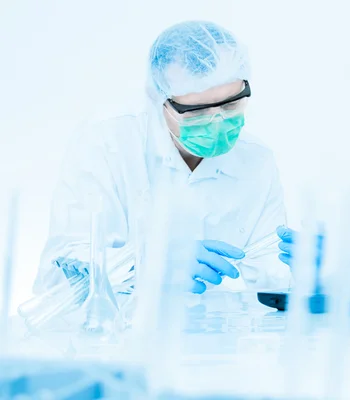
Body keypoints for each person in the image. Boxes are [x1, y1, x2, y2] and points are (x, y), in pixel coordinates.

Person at [33, 20, 292, 295]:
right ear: (159, 100)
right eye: (197, 111)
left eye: (231, 104)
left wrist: (309, 274)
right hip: (115, 334)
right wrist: (151, 266)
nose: (217, 122)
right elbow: (65, 271)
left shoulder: (257, 161)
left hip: (216, 333)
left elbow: (269, 281)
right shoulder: (107, 143)